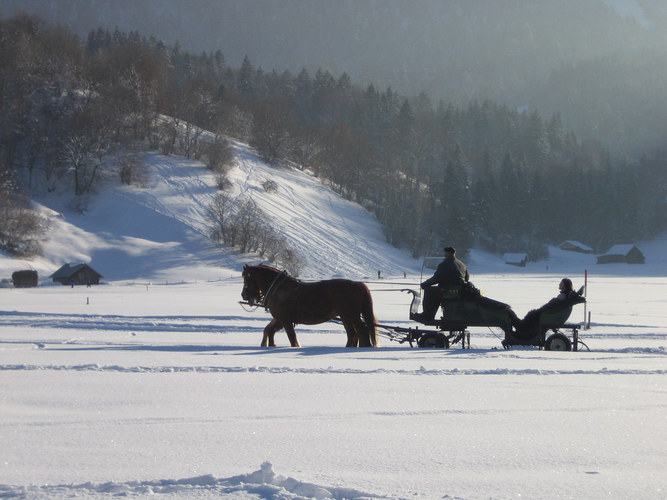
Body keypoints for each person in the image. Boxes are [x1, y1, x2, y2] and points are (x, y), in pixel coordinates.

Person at [415, 246, 469, 322]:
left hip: (449, 291)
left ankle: (427, 315)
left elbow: (436, 278)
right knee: (436, 290)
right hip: (459, 291)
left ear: (447, 254)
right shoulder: (462, 264)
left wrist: (425, 284)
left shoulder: (445, 264)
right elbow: (467, 278)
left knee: (429, 291)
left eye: (445, 254)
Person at [515, 278, 579, 335]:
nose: (559, 284)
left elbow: (554, 306)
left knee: (532, 314)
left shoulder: (563, 296)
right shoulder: (564, 295)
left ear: (565, 286)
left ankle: (523, 329)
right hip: (549, 312)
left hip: (549, 314)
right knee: (532, 314)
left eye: (561, 283)